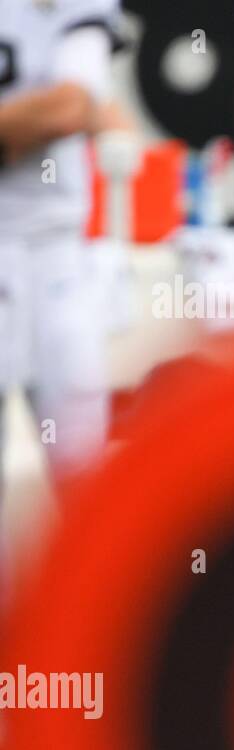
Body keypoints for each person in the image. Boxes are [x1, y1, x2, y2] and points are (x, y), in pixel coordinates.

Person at [0, 0, 122, 575]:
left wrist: (58, 115)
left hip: (55, 256)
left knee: (86, 476)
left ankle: (99, 646)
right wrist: (28, 121)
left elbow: (73, 106)